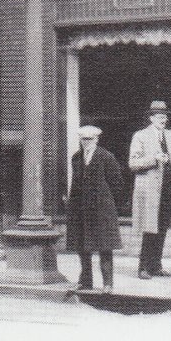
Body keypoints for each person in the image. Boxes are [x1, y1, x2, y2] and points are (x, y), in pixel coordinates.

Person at [129, 99, 171, 279]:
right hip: (149, 191)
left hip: (167, 189)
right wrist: (154, 159)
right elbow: (133, 163)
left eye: (165, 117)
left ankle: (156, 266)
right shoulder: (140, 136)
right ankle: (143, 267)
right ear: (151, 118)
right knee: (149, 228)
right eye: (160, 117)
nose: (164, 120)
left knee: (163, 227)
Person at [65, 125, 122, 293]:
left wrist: (109, 203)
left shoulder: (106, 156)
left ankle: (108, 284)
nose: (86, 142)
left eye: (89, 139)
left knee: (105, 247)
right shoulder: (76, 158)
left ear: (96, 139)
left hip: (102, 210)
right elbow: (75, 183)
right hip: (80, 209)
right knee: (82, 246)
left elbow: (117, 183)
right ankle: (86, 281)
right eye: (83, 139)